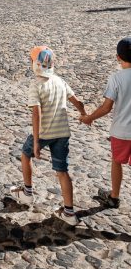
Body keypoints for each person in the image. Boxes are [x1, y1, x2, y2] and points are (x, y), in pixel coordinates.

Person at [11, 46, 86, 226]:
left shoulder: (36, 85)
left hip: (44, 132)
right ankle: (69, 212)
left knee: (25, 153)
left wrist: (36, 141)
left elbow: (36, 114)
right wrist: (84, 114)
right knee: (62, 171)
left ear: (35, 64)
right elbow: (78, 102)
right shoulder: (60, 81)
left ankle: (27, 193)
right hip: (62, 133)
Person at [80, 37, 131, 209]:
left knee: (116, 161)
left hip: (121, 131)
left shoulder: (116, 78)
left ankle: (114, 197)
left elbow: (106, 107)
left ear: (118, 57)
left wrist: (89, 118)